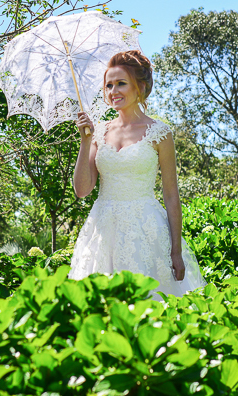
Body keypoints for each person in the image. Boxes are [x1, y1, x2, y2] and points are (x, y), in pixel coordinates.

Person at [68, 50, 206, 297]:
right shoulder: (98, 132)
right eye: (109, 85)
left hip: (146, 230)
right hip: (103, 231)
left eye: (121, 83)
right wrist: (85, 142)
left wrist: (176, 251)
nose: (113, 91)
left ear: (139, 87)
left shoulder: (160, 133)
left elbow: (171, 195)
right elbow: (82, 190)